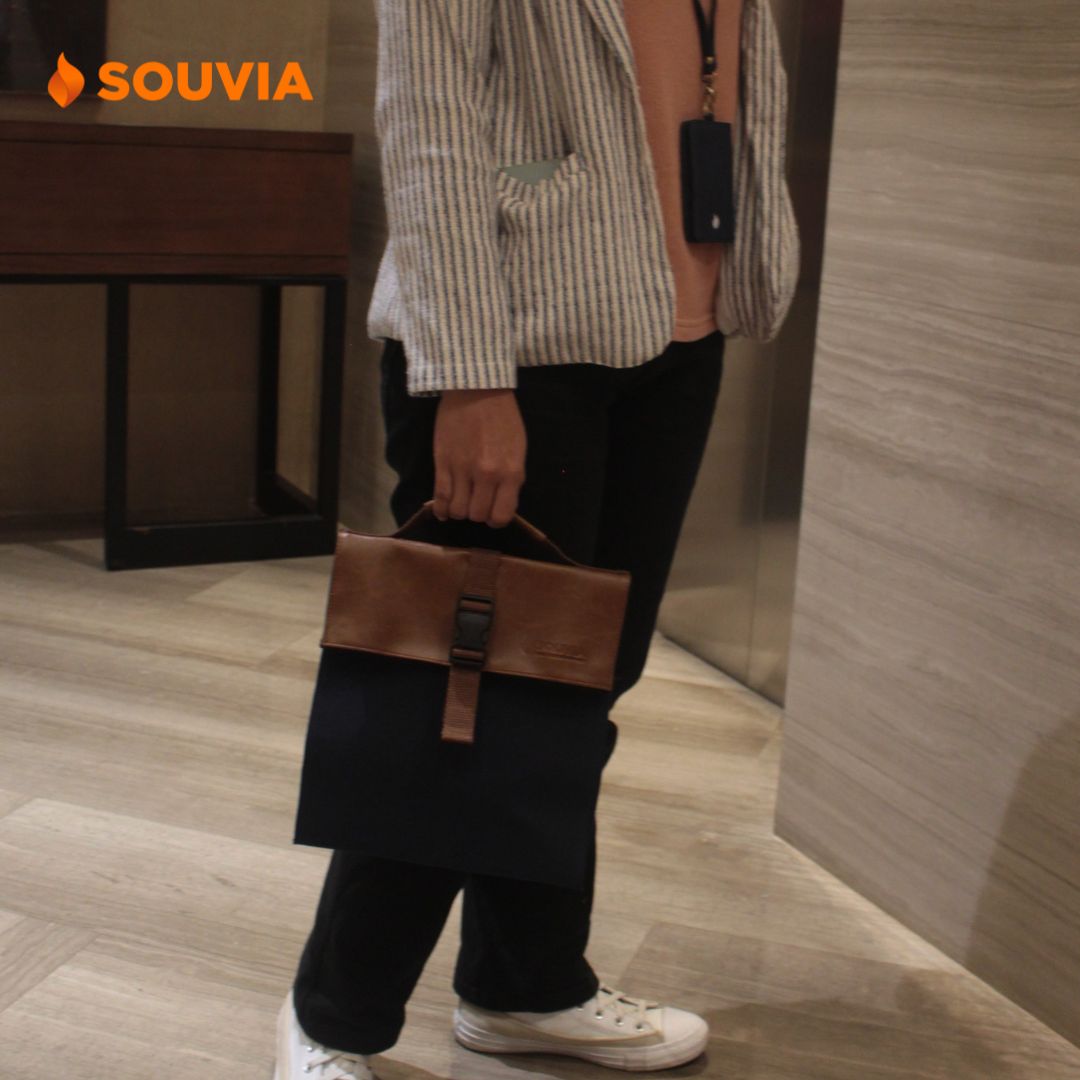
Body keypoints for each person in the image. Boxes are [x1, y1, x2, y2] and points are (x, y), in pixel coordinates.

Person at [275, 1, 798, 1077]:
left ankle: (525, 982)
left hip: (677, 330)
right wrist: (468, 376)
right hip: (515, 345)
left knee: (575, 692)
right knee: (455, 702)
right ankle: (333, 1015)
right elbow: (430, 122)